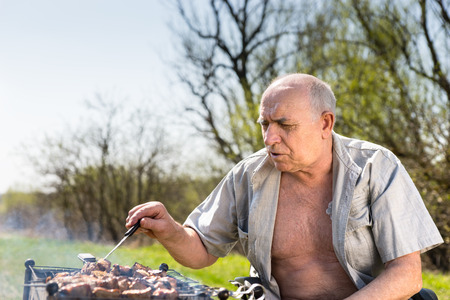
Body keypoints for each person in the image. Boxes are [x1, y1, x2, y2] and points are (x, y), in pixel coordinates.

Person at [126, 74, 443, 299]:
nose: (269, 139)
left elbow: (406, 274)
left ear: (325, 123)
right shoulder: (248, 175)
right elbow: (202, 251)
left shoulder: (376, 167)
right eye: (265, 124)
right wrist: (171, 231)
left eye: (285, 125)